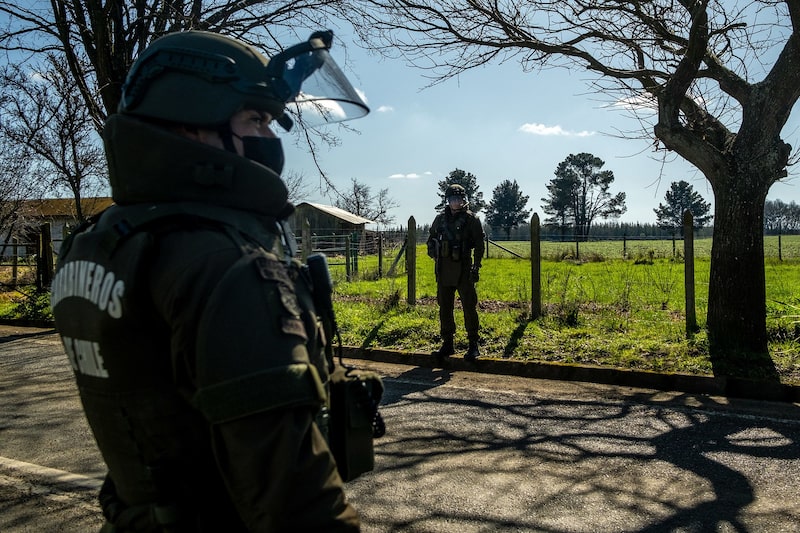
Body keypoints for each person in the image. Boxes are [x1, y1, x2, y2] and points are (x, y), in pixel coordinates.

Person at [50, 29, 368, 532]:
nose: (271, 138)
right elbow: (296, 502)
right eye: (257, 118)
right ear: (194, 122)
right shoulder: (227, 264)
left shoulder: (104, 241)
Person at [427, 184, 486, 361]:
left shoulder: (471, 220)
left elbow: (480, 245)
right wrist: (435, 253)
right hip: (444, 269)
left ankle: (473, 344)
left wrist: (476, 266)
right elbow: (430, 240)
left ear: (464, 200)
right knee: (445, 307)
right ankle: (447, 343)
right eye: (452, 199)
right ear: (448, 201)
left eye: (459, 199)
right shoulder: (440, 220)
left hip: (464, 269)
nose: (456, 202)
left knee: (469, 307)